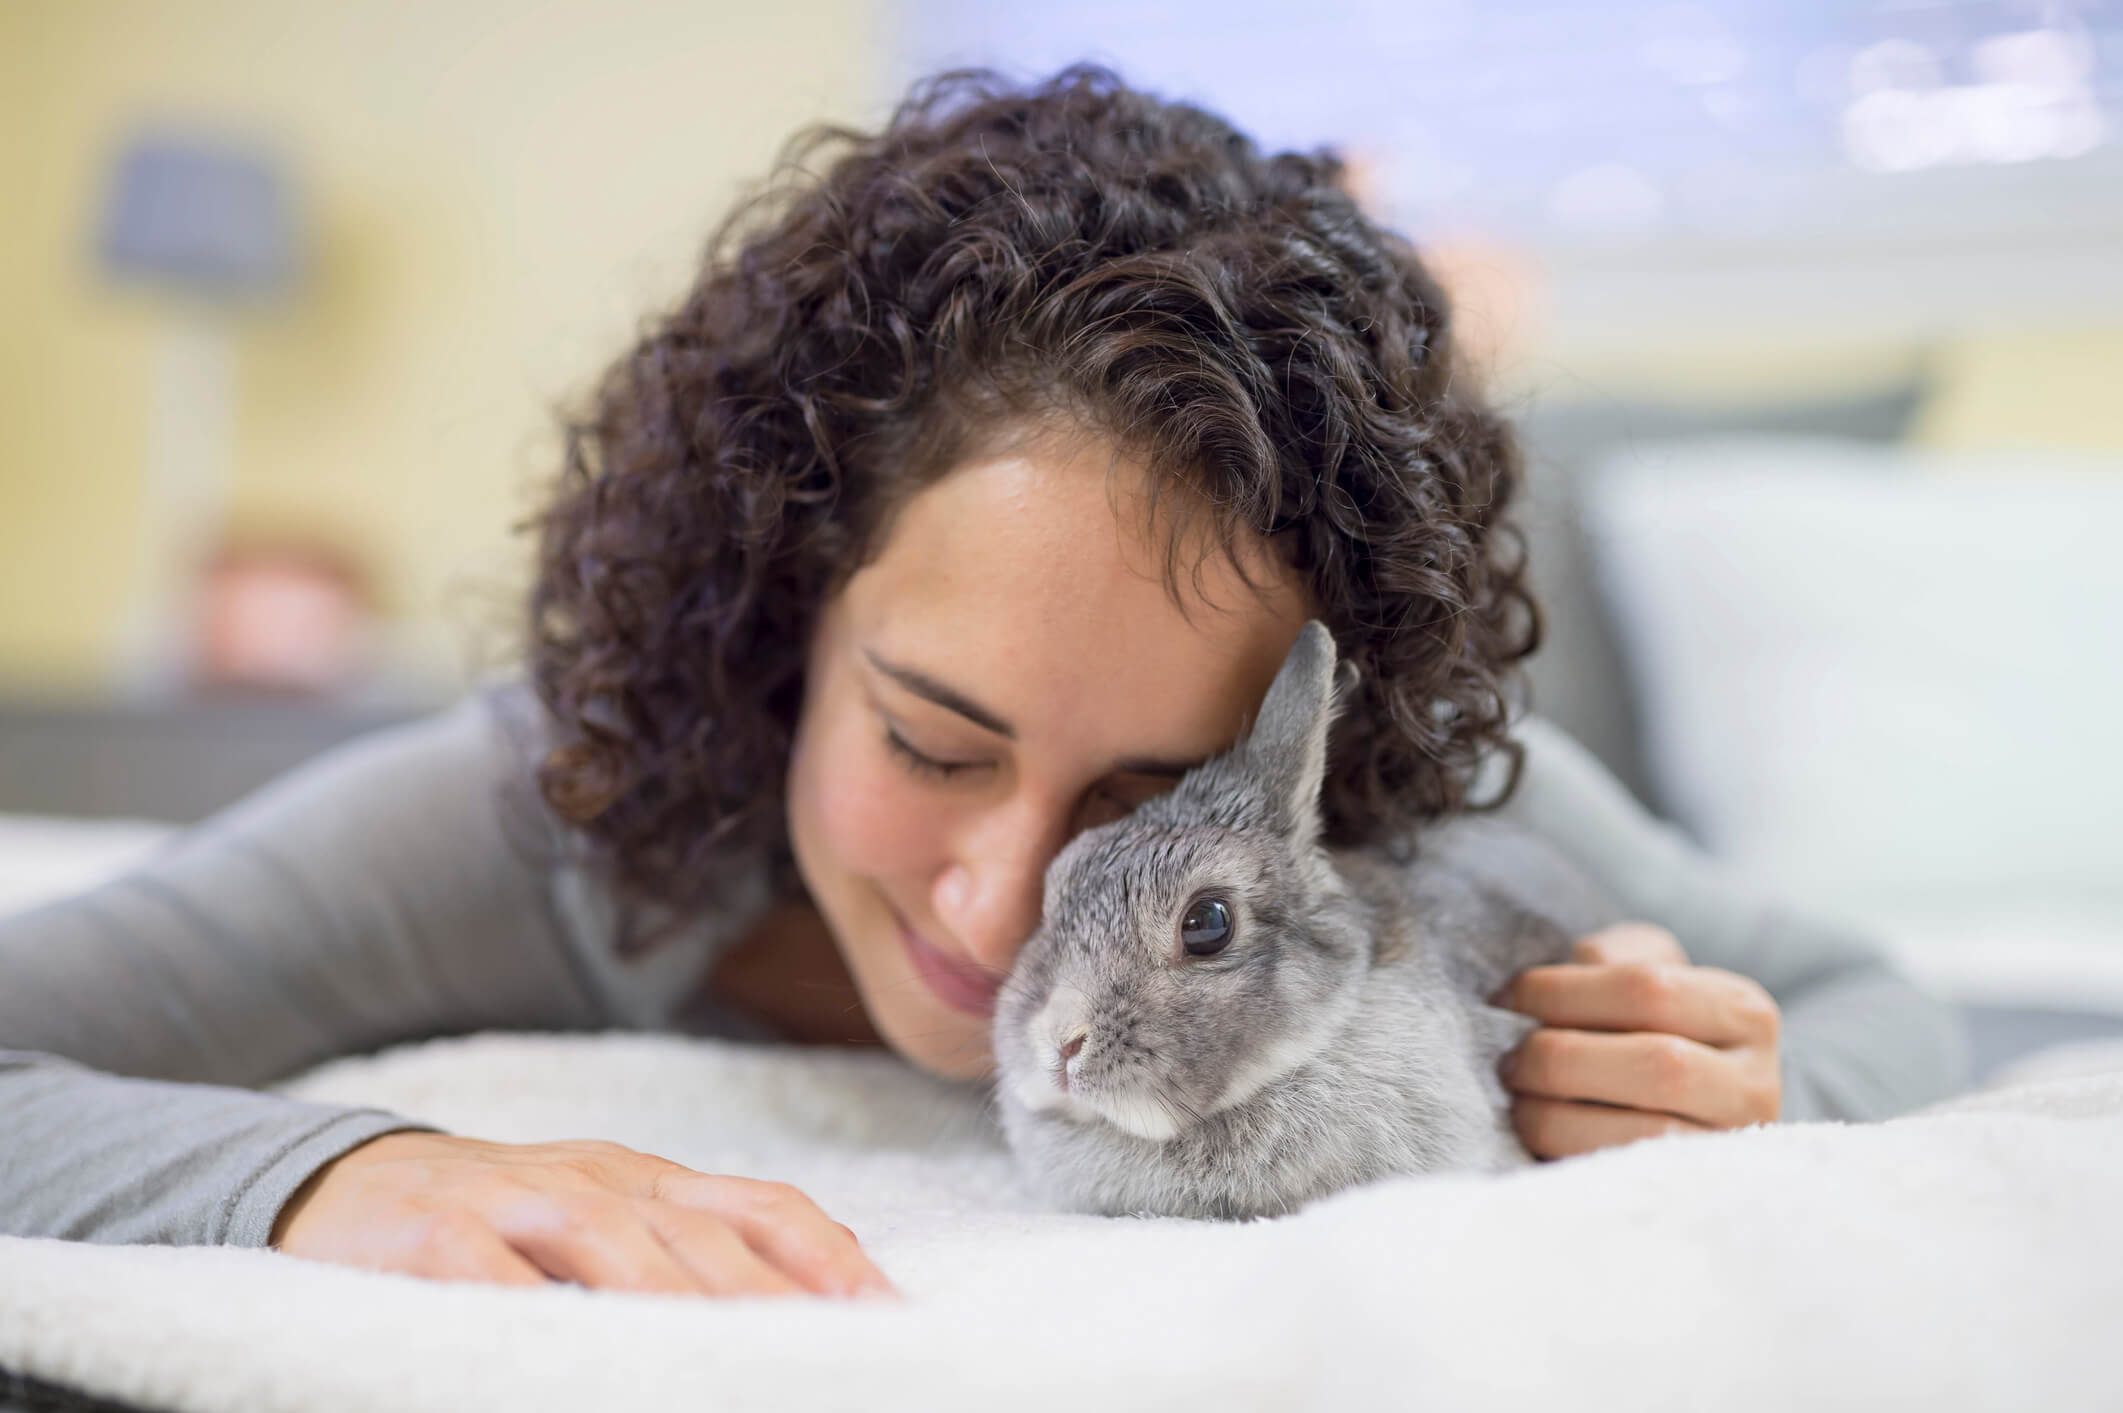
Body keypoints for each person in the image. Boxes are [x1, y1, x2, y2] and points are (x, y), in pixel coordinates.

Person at [0, 66, 1966, 1302]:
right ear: (787, 610)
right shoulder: (545, 819)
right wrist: (321, 1168)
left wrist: (1744, 1075)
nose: (1000, 895)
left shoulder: (1385, 820)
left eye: (1148, 801)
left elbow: (1889, 1002)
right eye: (932, 736)